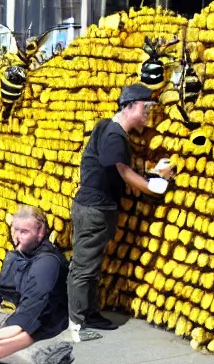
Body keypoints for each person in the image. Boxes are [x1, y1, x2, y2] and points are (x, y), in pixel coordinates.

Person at [67, 83, 175, 342]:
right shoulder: (115, 135)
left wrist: (150, 174)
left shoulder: (107, 126)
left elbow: (119, 169)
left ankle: (89, 313)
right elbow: (123, 172)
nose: (148, 113)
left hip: (94, 207)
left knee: (92, 264)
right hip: (95, 209)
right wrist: (153, 186)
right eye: (144, 108)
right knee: (84, 266)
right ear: (128, 107)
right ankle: (77, 325)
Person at [0, 205, 69, 364]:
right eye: (14, 230)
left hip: (45, 322)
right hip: (23, 318)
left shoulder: (47, 264)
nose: (16, 237)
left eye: (23, 232)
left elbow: (32, 312)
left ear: (40, 233)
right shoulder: (19, 255)